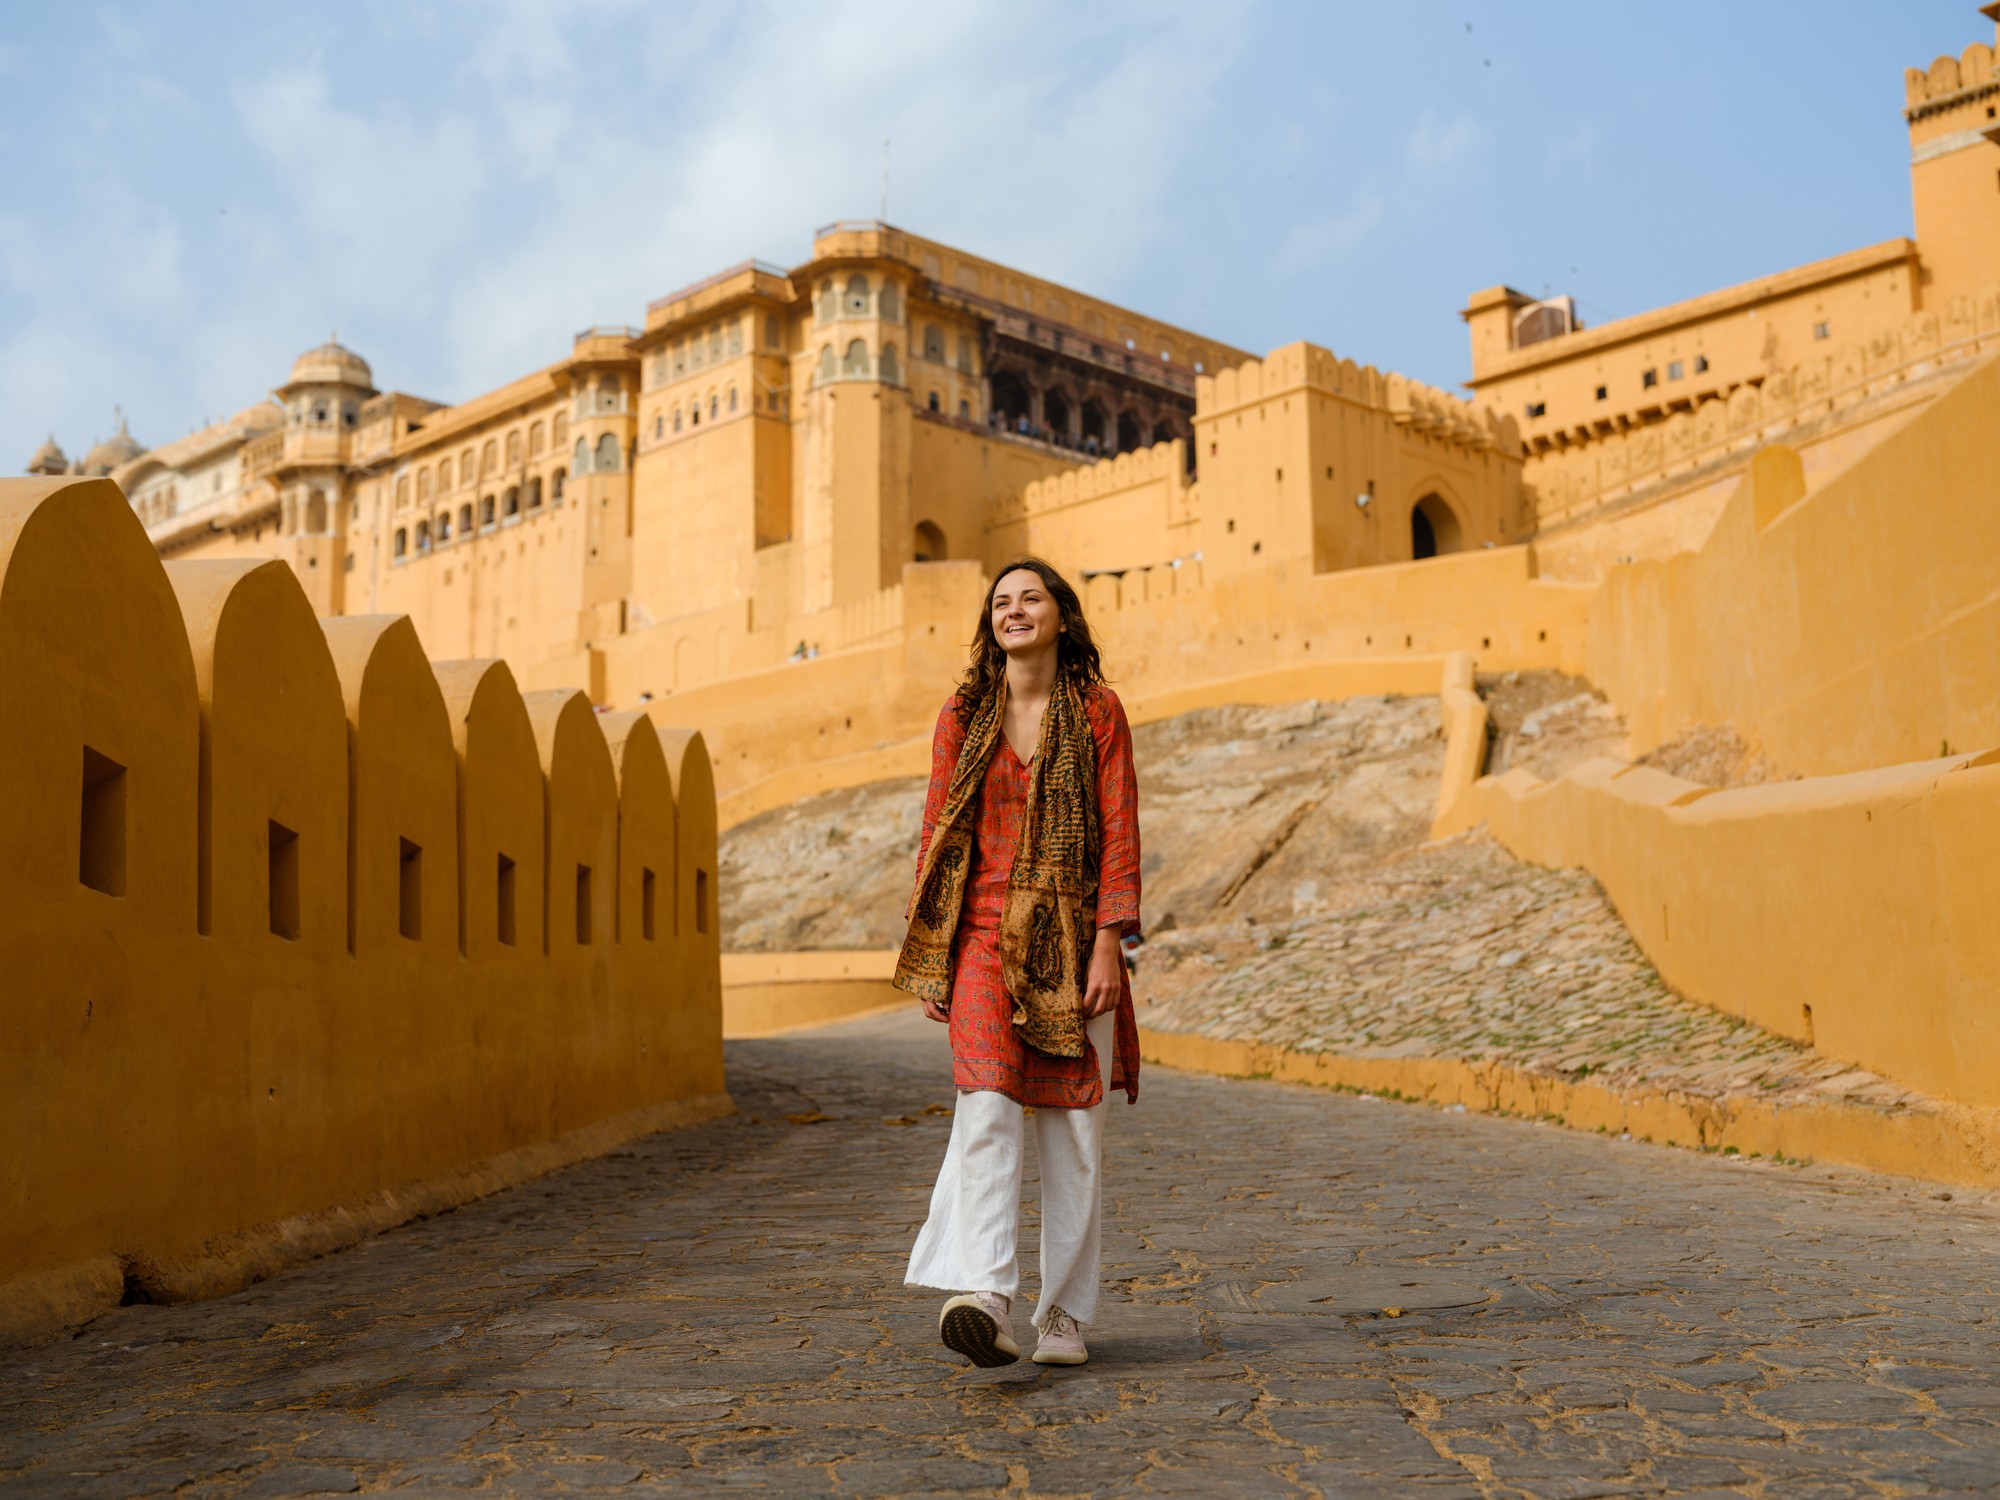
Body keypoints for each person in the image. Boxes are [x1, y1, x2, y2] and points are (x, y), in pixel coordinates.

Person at [898, 558, 1141, 1369]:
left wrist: (1111, 939)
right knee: (987, 1107)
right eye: (1000, 602)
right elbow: (936, 833)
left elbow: (1119, 829)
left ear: (1061, 618)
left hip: (1075, 941)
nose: (1014, 610)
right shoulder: (963, 715)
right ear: (989, 624)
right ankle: (983, 1294)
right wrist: (931, 952)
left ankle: (1065, 1317)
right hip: (977, 942)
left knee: (1074, 1131)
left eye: (1030, 597)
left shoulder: (1098, 712)